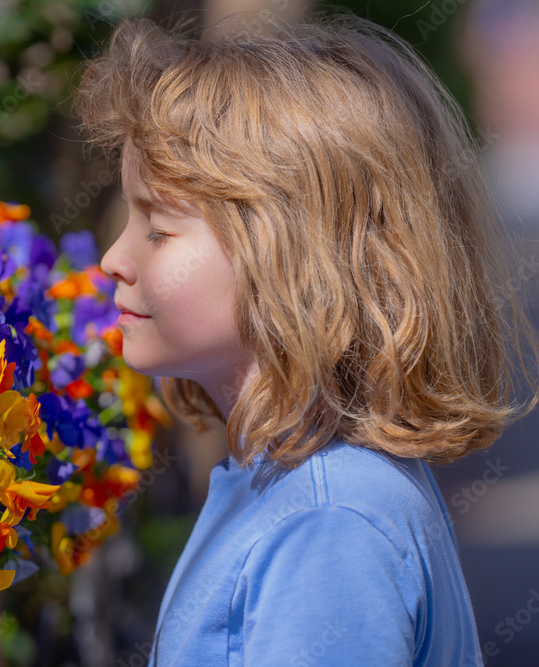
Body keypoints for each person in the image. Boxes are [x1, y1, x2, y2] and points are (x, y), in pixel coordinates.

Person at [71, 8, 539, 666]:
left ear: (294, 256)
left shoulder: (327, 527)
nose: (113, 260)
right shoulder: (292, 487)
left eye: (157, 226)